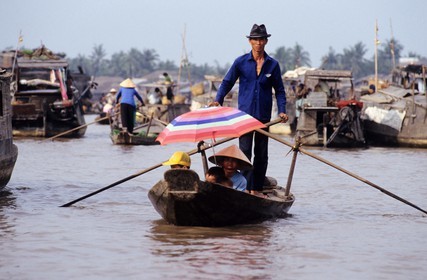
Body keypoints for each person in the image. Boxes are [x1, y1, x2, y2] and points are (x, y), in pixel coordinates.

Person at [210, 24, 289, 197]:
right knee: (244, 154)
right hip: (244, 117)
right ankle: (245, 189)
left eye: (261, 40)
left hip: (264, 117)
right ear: (250, 41)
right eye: (255, 40)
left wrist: (282, 111)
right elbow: (227, 82)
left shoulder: (272, 65)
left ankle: (257, 189)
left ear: (266, 41)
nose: (258, 43)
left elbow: (280, 91)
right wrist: (218, 99)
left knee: (261, 154)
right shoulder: (241, 62)